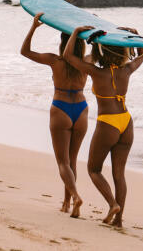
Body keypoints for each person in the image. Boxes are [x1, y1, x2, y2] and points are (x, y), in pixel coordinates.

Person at [63, 25, 143, 227]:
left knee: (94, 169)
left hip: (108, 123)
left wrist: (75, 34)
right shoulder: (127, 70)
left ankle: (112, 204)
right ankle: (118, 221)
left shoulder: (96, 72)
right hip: (126, 121)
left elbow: (68, 57)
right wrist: (134, 35)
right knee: (119, 174)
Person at [20, 13, 89, 218]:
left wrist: (34, 27)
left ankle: (75, 197)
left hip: (61, 108)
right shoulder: (87, 60)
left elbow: (25, 51)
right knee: (73, 160)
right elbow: (106, 51)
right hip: (81, 109)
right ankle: (66, 202)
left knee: (63, 162)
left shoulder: (54, 60)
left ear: (62, 42)